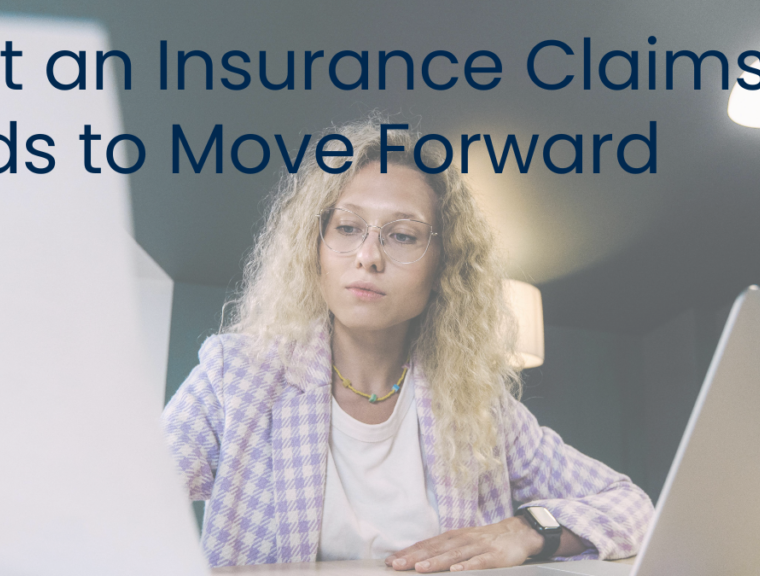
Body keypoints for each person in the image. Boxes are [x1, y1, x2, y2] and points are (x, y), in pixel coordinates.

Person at [161, 114, 654, 572]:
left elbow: (631, 506)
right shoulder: (236, 377)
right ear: (315, 249)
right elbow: (114, 500)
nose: (369, 256)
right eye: (348, 228)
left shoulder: (481, 411)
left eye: (402, 235)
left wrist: (526, 530)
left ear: (444, 265)